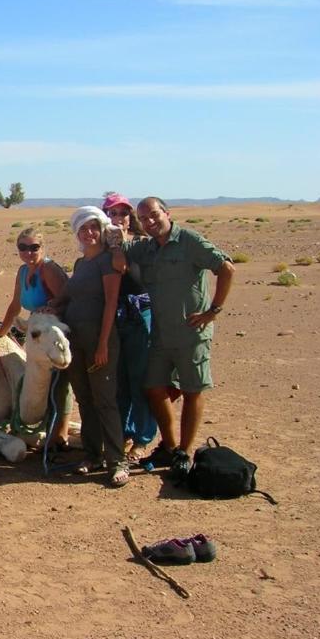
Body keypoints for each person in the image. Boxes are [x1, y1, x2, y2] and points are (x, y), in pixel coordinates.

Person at [116, 196, 235, 479]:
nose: (150, 221)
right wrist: (116, 236)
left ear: (167, 213)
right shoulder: (146, 248)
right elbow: (120, 254)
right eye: (143, 218)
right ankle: (169, 447)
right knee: (154, 388)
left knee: (193, 390)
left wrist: (213, 310)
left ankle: (184, 450)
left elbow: (226, 268)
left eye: (154, 215)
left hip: (191, 333)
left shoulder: (188, 241)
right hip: (160, 334)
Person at [52, 207, 126, 486]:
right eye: (83, 229)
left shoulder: (108, 261)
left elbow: (110, 303)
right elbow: (69, 296)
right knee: (84, 399)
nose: (89, 233)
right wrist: (52, 305)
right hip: (76, 341)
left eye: (94, 227)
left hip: (99, 340)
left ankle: (117, 461)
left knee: (105, 400)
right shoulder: (81, 263)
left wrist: (103, 344)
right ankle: (93, 454)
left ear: (102, 229)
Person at [0, 227, 72, 447]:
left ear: (42, 248)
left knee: (60, 382)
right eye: (23, 247)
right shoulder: (23, 271)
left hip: (57, 332)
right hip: (38, 333)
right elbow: (15, 305)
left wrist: (53, 308)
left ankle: (60, 434)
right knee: (39, 380)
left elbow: (68, 300)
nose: (28, 252)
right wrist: (1, 332)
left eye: (34, 247)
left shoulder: (49, 270)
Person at [102, 193, 158, 462]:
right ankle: (122, 432)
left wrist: (118, 246)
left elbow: (124, 268)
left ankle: (142, 439)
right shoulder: (99, 247)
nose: (118, 218)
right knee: (118, 381)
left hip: (139, 316)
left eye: (123, 213)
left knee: (140, 379)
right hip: (113, 317)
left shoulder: (141, 244)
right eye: (112, 213)